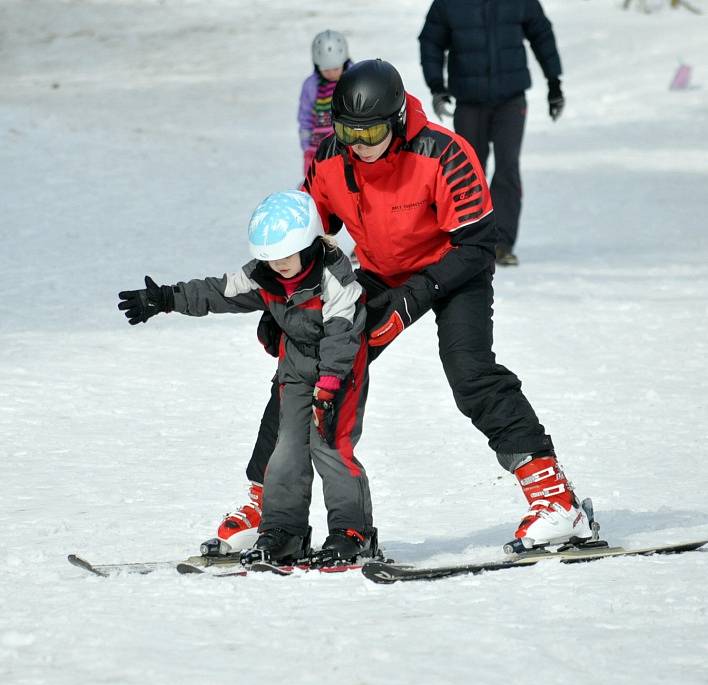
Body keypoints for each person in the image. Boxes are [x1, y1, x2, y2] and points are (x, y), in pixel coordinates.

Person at [217, 60, 592, 556]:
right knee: (301, 364)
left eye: (371, 131)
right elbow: (305, 237)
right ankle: (265, 502)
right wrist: (282, 301)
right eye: (349, 131)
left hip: (454, 270)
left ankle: (555, 500)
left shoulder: (444, 154)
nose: (360, 145)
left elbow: (479, 245)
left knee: (470, 372)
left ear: (396, 121)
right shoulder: (332, 159)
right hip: (378, 270)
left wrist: (413, 298)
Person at [117, 190, 375, 565]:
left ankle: (353, 533)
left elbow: (343, 333)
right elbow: (218, 291)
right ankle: (284, 531)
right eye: (270, 257)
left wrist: (330, 384)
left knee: (329, 447)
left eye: (286, 255)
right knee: (285, 452)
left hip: (339, 373)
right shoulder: (264, 274)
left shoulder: (335, 278)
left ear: (309, 244)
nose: (279, 264)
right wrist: (167, 299)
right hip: (296, 369)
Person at [418, 0, 566, 266]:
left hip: (511, 99)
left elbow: (541, 33)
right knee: (467, 173)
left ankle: (502, 243)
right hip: (469, 100)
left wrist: (554, 82)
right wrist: (436, 86)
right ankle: (469, 241)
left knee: (507, 167)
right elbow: (431, 40)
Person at [298, 30, 352, 177]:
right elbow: (305, 118)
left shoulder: (353, 79)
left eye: (336, 68)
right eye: (326, 70)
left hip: (348, 148)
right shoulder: (311, 86)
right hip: (318, 149)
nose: (332, 73)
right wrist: (307, 147)